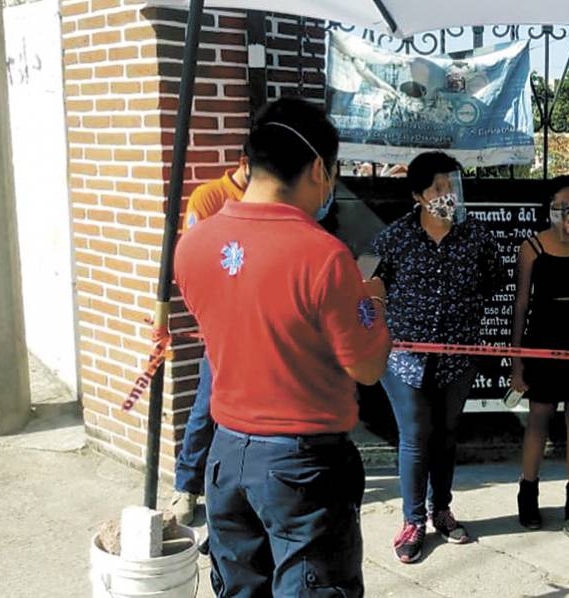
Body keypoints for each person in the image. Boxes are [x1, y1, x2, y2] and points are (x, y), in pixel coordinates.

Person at [175, 97, 391, 595]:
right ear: (319, 168)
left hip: (225, 458)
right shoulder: (325, 257)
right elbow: (367, 366)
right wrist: (373, 303)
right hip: (303, 466)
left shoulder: (194, 247)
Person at [372, 151, 500, 564]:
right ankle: (413, 521)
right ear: (418, 196)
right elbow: (367, 286)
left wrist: (467, 311)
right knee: (416, 436)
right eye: (439, 188)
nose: (449, 195)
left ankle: (440, 509)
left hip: (458, 357)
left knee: (446, 435)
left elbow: (496, 278)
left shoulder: (476, 236)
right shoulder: (395, 238)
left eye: (453, 187)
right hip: (405, 359)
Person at [511, 175, 569, 538]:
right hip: (542, 339)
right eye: (564, 206)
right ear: (549, 209)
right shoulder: (531, 247)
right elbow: (520, 304)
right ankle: (527, 493)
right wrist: (517, 360)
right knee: (539, 417)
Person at [169, 150, 248, 526]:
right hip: (222, 326)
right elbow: (193, 259)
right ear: (246, 163)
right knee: (206, 405)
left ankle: (237, 486)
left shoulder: (268, 203)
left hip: (260, 322)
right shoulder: (210, 198)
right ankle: (186, 486)